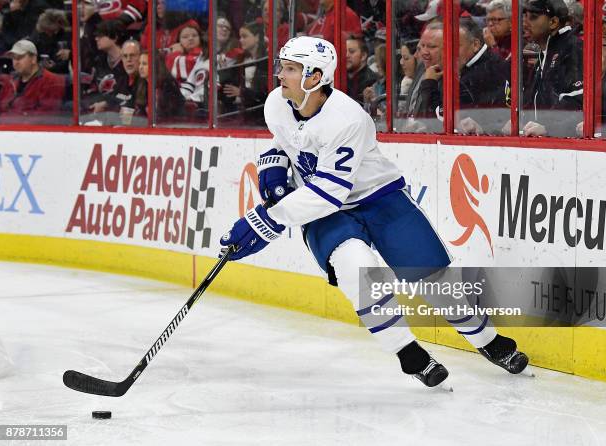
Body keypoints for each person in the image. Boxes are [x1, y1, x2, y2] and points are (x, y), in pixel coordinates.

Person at [219, 36, 529, 388]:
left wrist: (264, 221)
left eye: (290, 69)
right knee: (356, 268)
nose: (280, 75)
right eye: (282, 66)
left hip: (377, 197)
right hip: (327, 213)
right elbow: (291, 138)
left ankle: (487, 341)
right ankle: (409, 354)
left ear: (315, 76)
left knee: (434, 280)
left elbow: (327, 192)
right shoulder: (276, 103)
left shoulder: (348, 118)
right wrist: (272, 162)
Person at [520, 0, 583, 137]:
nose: (524, 23)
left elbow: (578, 100)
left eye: (533, 17)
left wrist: (550, 128)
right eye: (524, 16)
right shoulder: (546, 52)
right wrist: (519, 122)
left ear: (553, 22)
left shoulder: (572, 48)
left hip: (568, 148)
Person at [456, 17, 511, 135]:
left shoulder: (480, 74)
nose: (448, 52)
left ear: (475, 44)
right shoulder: (491, 62)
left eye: (455, 45)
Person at [0, 39, 66, 122]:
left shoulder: (51, 81)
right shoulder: (10, 81)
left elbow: (45, 117)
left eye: (19, 57)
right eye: (13, 58)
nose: (16, 62)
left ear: (33, 59)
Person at [345, 35, 377, 107]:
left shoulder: (372, 81)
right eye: (344, 51)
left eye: (351, 52)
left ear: (363, 56)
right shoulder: (340, 78)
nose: (346, 55)